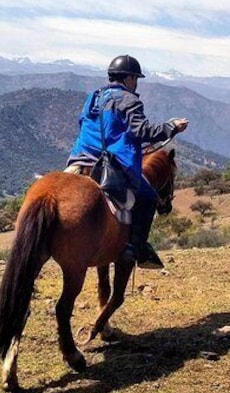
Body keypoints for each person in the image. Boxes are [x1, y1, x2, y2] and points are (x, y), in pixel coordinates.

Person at [67, 54, 189, 269]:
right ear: (129, 78)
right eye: (136, 79)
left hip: (80, 158)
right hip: (112, 164)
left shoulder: (94, 97)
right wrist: (172, 127)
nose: (136, 84)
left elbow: (84, 124)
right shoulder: (129, 99)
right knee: (149, 196)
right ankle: (135, 248)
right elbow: (142, 130)